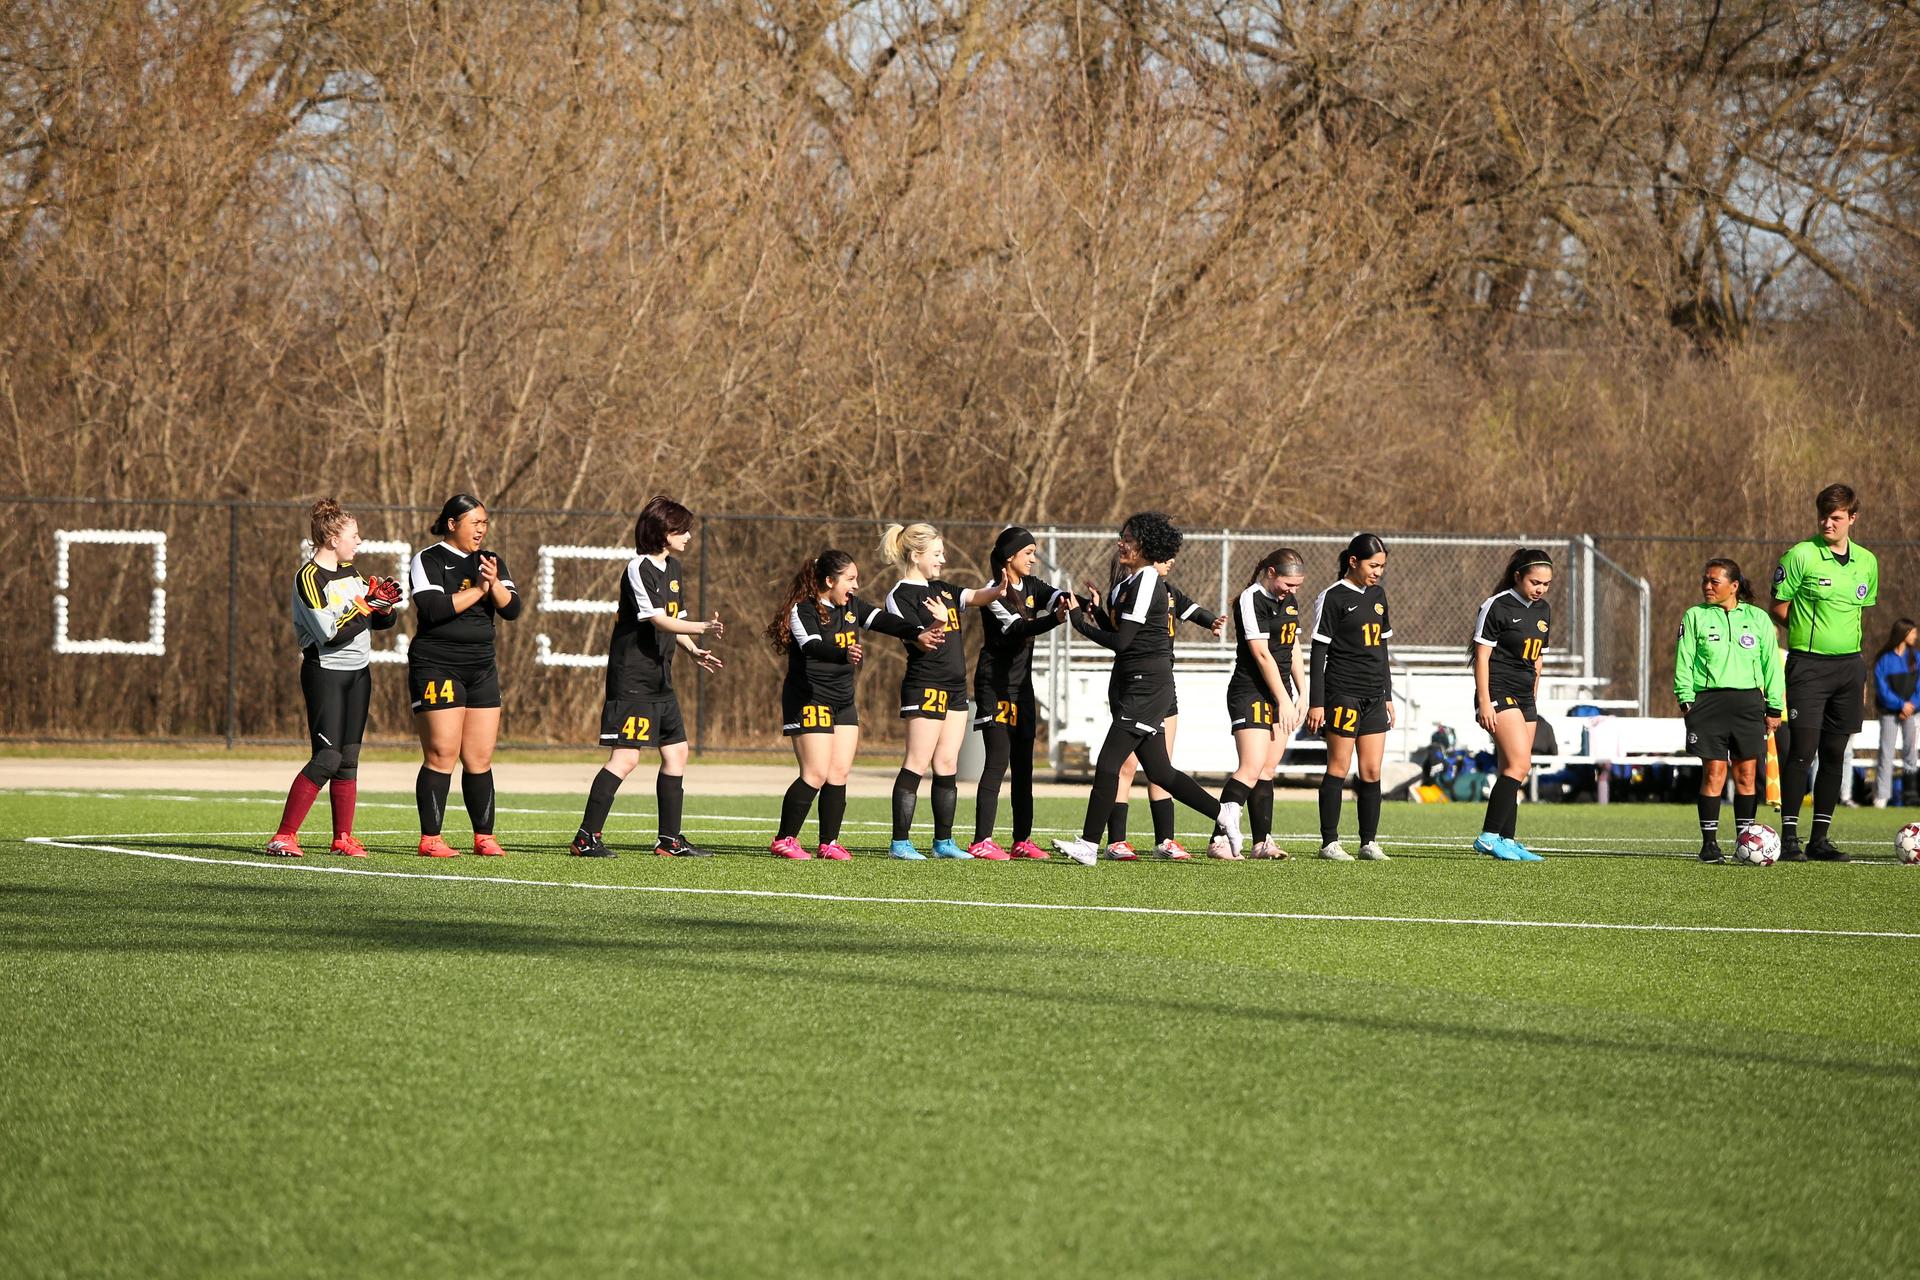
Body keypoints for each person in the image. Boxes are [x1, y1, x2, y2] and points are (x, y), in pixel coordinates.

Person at [1052, 513, 1244, 866]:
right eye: (1121, 536)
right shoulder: (1127, 584)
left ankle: (1089, 845)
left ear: (1146, 547)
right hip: (1132, 684)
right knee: (1160, 772)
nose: (1120, 543)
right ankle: (1224, 813)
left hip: (1146, 686)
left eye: (1128, 538)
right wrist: (1093, 609)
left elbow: (1123, 642)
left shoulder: (1147, 581)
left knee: (1109, 764)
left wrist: (1079, 622)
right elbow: (1121, 628)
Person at [569, 496, 726, 859]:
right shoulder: (638, 566)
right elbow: (656, 618)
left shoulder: (674, 569)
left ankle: (669, 840)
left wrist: (691, 649)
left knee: (677, 753)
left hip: (660, 678)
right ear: (662, 531)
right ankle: (585, 837)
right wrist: (702, 627)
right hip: (633, 679)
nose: (688, 536)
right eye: (681, 529)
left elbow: (675, 618)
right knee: (626, 760)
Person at [764, 550, 946, 860]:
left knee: (839, 772)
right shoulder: (803, 610)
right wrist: (843, 653)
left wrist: (919, 634)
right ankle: (785, 839)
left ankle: (828, 842)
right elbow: (812, 646)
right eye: (850, 579)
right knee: (816, 773)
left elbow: (886, 621)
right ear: (828, 581)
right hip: (809, 697)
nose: (856, 585)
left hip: (842, 699)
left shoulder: (852, 607)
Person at [266, 499, 402, 857]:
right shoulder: (309, 577)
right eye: (353, 536)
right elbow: (329, 633)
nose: (358, 542)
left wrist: (384, 609)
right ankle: (283, 835)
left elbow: (375, 622)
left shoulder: (352, 574)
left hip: (359, 674)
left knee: (349, 759)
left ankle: (342, 837)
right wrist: (365, 606)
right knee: (326, 758)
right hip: (325, 674)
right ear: (331, 539)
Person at [880, 523, 1013, 860]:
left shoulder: (943, 589)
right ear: (915, 555)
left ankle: (943, 842)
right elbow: (921, 640)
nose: (943, 559)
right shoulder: (900, 596)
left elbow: (974, 597)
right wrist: (938, 621)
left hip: (955, 687)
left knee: (947, 762)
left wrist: (998, 588)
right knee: (917, 761)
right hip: (925, 685)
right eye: (936, 554)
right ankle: (900, 843)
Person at [407, 494, 521, 857]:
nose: (482, 530)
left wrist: (495, 584)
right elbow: (433, 609)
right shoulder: (428, 559)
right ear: (453, 524)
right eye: (475, 522)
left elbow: (513, 610)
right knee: (442, 753)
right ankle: (431, 839)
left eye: (485, 523)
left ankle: (484, 837)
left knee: (480, 757)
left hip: (482, 667)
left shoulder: (491, 561)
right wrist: (479, 590)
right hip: (438, 665)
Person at [1769, 484, 1878, 861]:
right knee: (1803, 751)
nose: (1827, 523)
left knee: (1835, 752)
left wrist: (1857, 670)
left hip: (1849, 668)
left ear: (1852, 517)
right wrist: (1806, 635)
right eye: (1823, 516)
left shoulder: (1867, 561)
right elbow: (1778, 607)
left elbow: (1858, 614)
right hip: (1809, 667)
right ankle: (1788, 839)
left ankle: (1820, 840)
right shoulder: (1800, 556)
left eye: (1835, 517)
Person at [1101, 572, 1226, 859]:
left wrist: (1211, 621)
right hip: (1133, 683)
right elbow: (1117, 632)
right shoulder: (1127, 590)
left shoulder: (1166, 589)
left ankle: (1165, 840)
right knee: (1126, 765)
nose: (1169, 562)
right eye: (1164, 556)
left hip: (1162, 684)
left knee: (1161, 766)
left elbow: (1189, 608)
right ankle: (1116, 841)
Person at [970, 527, 1074, 860]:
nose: (1032, 559)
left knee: (1024, 765)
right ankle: (982, 840)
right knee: (997, 762)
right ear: (1009, 556)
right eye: (1027, 553)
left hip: (1022, 687)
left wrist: (1074, 602)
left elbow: (1055, 596)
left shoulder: (1030, 585)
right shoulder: (993, 592)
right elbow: (1018, 627)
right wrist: (1055, 621)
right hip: (995, 686)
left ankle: (1022, 840)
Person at [1675, 559, 1785, 862]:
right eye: (1705, 580)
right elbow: (1684, 660)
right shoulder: (1695, 616)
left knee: (1747, 775)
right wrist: (1686, 700)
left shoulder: (1758, 618)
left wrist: (1774, 705)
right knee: (1714, 772)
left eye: (1714, 581)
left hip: (1748, 703)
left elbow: (1771, 665)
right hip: (1708, 703)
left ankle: (1744, 841)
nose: (1707, 586)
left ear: (1734, 586)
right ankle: (1709, 844)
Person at [1211, 548, 1309, 860]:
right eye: (1287, 584)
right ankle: (1219, 840)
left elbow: (1292, 646)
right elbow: (1261, 653)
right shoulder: (1250, 598)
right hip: (1251, 691)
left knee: (1267, 769)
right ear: (1270, 573)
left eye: (1297, 586)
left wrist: (1303, 694)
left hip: (1281, 692)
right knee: (1251, 767)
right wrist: (1283, 699)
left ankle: (1262, 841)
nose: (1292, 591)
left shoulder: (1289, 601)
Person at [1305, 533, 1394, 861]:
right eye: (1373, 565)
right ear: (1353, 561)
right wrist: (1317, 702)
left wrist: (1387, 694)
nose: (1378, 572)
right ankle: (1329, 842)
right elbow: (1318, 652)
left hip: (1374, 696)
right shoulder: (1333, 597)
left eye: (1382, 566)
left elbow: (1382, 647)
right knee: (1338, 767)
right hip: (1343, 693)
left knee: (1371, 771)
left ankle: (1368, 842)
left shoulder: (1379, 595)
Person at [1469, 549, 1554, 862]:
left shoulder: (1543, 609)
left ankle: (1507, 838)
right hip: (1498, 691)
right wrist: (1483, 702)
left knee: (1514, 768)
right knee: (1519, 765)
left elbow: (1538, 657)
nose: (1540, 588)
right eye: (1535, 581)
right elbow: (1481, 657)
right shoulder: (1497, 605)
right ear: (1518, 575)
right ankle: (1489, 837)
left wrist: (1534, 693)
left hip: (1525, 695)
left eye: (1546, 583)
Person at [1871, 618, 1919, 808]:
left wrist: (1911, 705)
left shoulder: (1916, 657)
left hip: (1912, 713)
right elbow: (1881, 689)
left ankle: (1911, 794)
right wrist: (1900, 705)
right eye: (1913, 632)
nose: (1915, 636)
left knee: (1910, 752)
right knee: (1886, 752)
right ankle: (1882, 796)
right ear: (1903, 633)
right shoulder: (1884, 660)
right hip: (1890, 713)